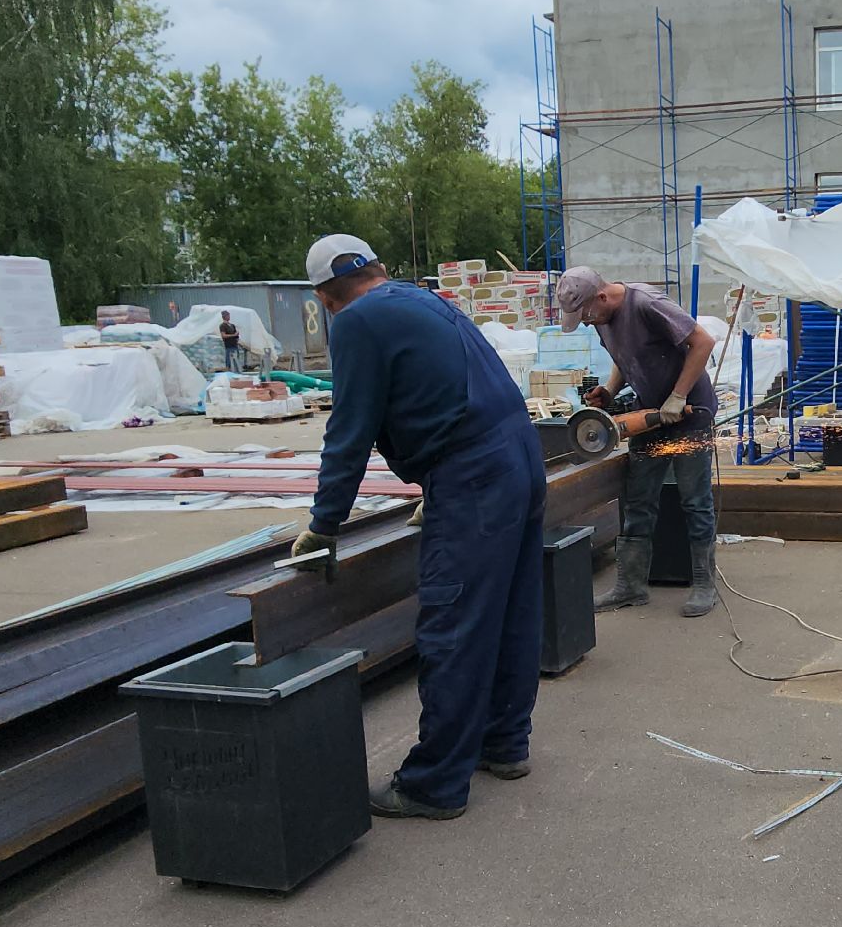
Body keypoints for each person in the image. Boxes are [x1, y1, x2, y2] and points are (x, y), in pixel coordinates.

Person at [290, 234, 546, 821]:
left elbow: (351, 429)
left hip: (476, 474)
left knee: (454, 621)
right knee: (509, 609)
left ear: (326, 297)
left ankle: (434, 783)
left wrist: (325, 524)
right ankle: (505, 744)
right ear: (376, 268)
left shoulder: (355, 322)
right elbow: (446, 389)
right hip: (518, 457)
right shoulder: (422, 299)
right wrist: (440, 482)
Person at [555, 266, 719, 618]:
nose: (584, 322)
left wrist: (678, 396)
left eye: (585, 315)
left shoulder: (646, 303)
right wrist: (610, 392)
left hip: (690, 414)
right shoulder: (601, 316)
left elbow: (703, 341)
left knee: (694, 499)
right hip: (650, 416)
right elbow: (623, 356)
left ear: (601, 296)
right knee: (639, 500)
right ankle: (630, 586)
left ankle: (705, 583)